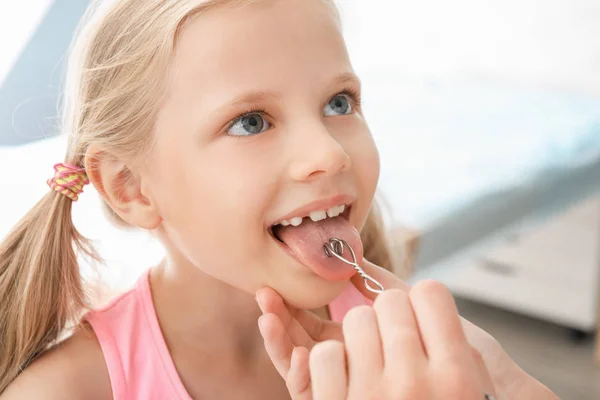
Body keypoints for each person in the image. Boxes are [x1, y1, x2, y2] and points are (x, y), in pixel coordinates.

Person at [0, 0, 558, 398]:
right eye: (250, 121)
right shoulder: (68, 390)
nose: (330, 154)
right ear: (130, 186)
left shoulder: (404, 345)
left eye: (339, 103)